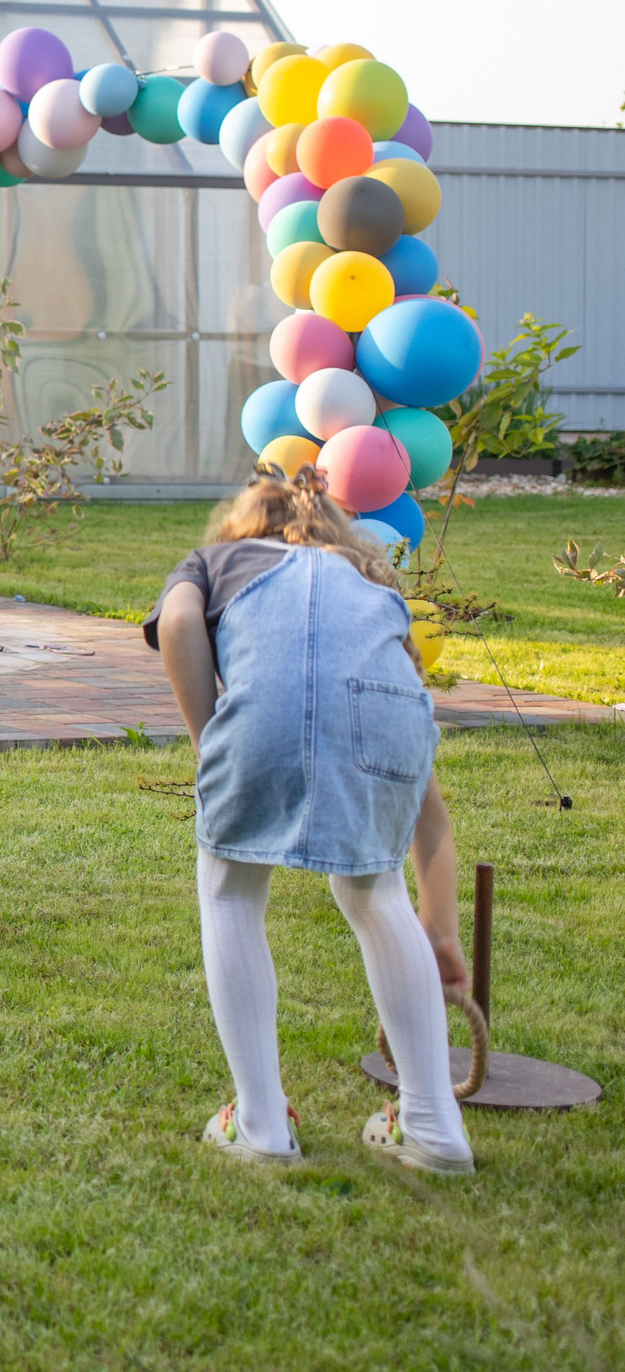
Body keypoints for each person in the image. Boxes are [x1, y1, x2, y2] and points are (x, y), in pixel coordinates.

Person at [146, 466, 474, 1174]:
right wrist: (441, 928)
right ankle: (434, 1128)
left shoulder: (216, 560)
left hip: (261, 713)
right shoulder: (370, 585)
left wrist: (210, 744)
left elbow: (176, 621)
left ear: (246, 525)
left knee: (231, 888)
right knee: (374, 891)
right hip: (385, 719)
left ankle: (261, 1124)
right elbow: (430, 807)